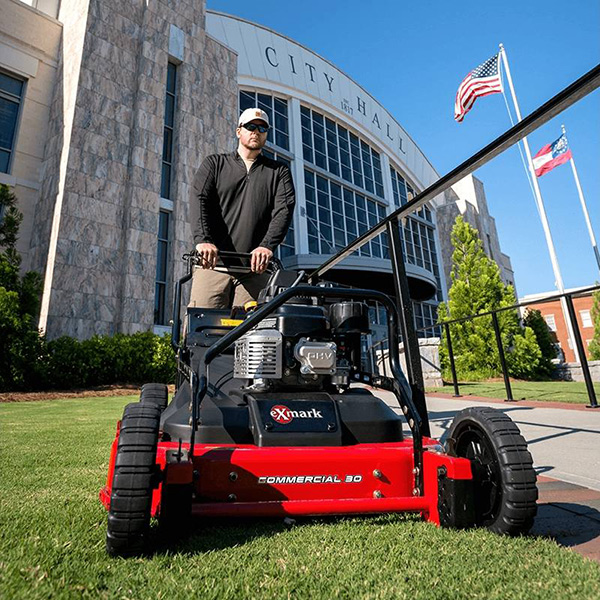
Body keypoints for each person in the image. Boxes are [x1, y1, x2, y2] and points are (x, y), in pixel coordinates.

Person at [189, 108, 296, 309]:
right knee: (202, 332)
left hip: (255, 271)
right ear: (239, 131)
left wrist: (267, 245)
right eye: (250, 126)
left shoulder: (279, 172)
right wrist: (202, 240)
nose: (256, 131)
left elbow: (284, 209)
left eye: (262, 128)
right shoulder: (215, 164)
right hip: (213, 266)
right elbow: (198, 198)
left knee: (252, 334)